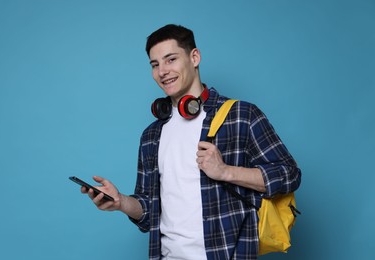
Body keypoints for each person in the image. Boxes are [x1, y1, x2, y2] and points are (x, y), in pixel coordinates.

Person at [81, 24, 301, 260]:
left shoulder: (241, 115)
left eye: (171, 59)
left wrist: (225, 171)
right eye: (155, 65)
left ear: (194, 57)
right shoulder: (151, 135)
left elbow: (289, 175)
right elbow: (148, 213)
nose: (162, 71)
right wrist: (121, 202)